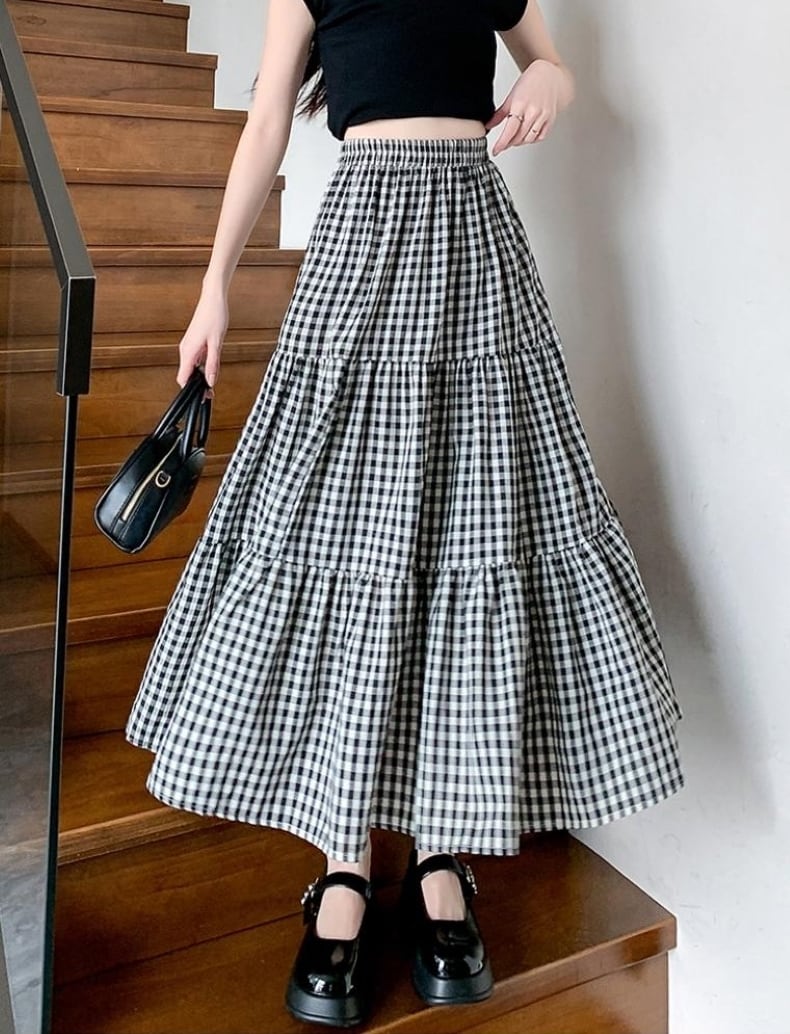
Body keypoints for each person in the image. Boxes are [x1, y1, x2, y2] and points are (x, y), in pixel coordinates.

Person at [124, 0, 685, 1026]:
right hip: (361, 239)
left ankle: (439, 851)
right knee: (343, 531)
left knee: (471, 522)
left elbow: (549, 61)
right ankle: (343, 860)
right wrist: (213, 289)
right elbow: (265, 121)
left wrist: (551, 76)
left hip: (476, 243)